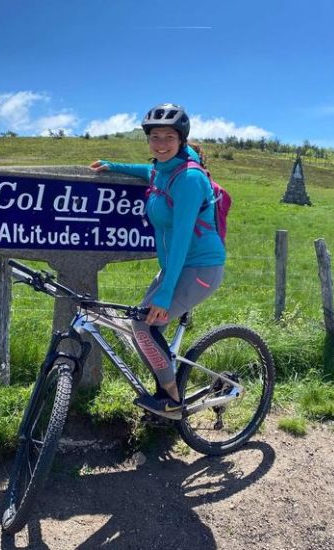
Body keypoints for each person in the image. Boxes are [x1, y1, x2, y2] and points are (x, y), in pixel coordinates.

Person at [90, 103, 225, 419]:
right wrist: (112, 165)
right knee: (143, 325)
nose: (161, 143)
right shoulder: (164, 170)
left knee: (143, 325)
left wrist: (165, 294)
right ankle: (166, 388)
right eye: (154, 137)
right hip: (177, 267)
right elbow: (147, 170)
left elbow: (181, 238)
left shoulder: (189, 179)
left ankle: (172, 400)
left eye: (168, 136)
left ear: (181, 140)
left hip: (200, 268)